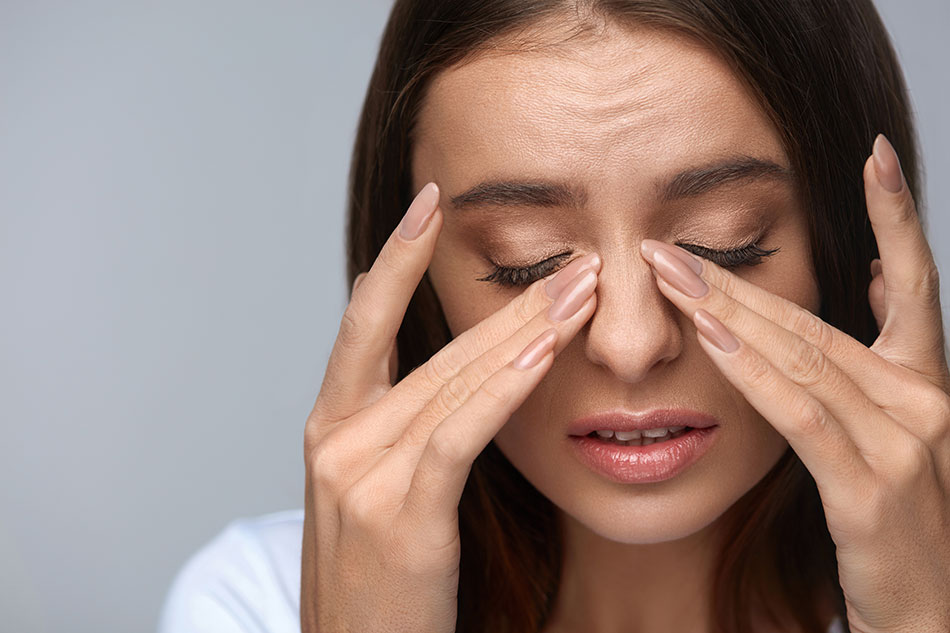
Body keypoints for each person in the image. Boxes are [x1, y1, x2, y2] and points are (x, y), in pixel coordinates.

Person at [158, 1, 950, 632]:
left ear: (849, 246)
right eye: (526, 264)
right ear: (417, 287)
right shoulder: (252, 604)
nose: (631, 343)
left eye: (723, 245)